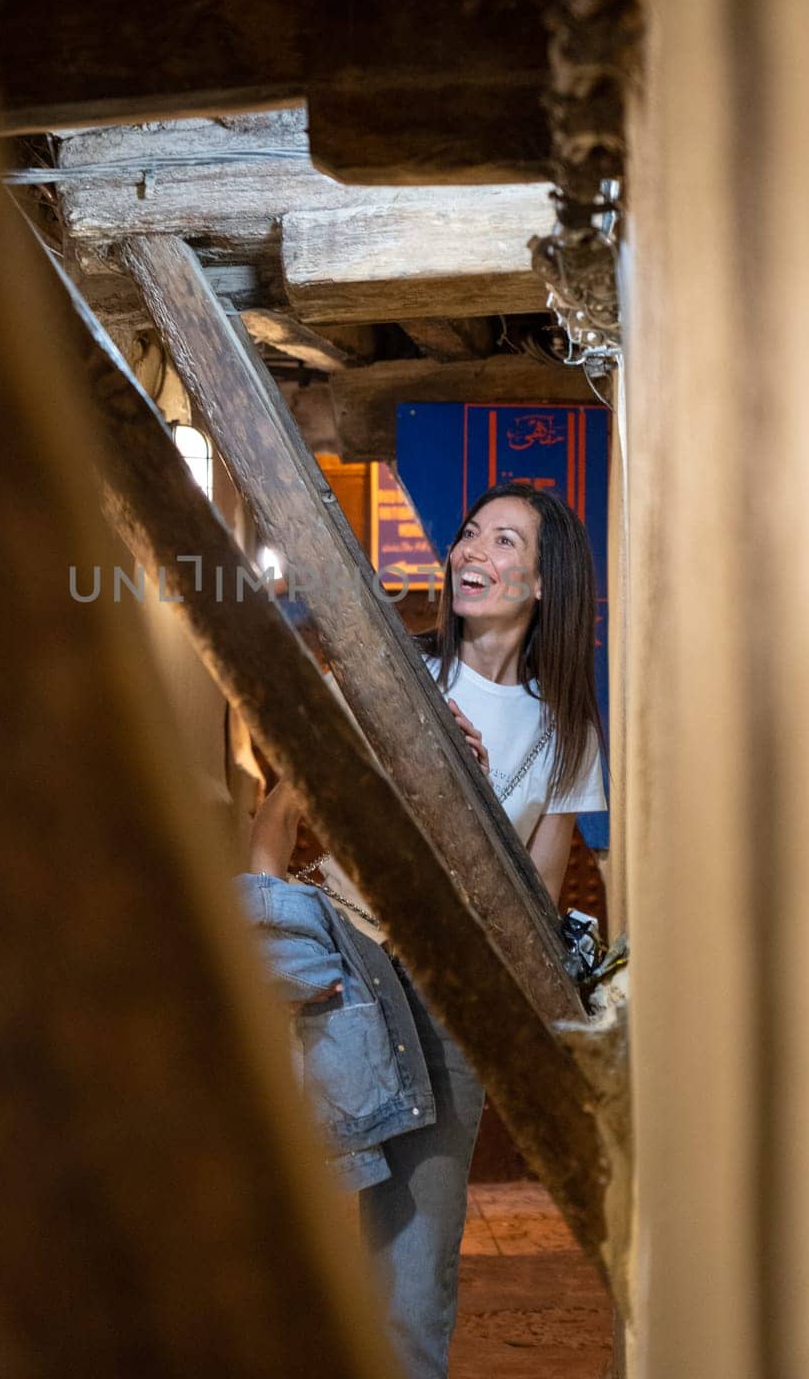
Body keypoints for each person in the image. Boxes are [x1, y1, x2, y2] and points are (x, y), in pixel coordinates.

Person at [246, 481, 607, 1378]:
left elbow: (534, 902)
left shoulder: (564, 734)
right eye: (469, 534)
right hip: (346, 974)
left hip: (452, 1012)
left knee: (410, 1280)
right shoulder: (380, 677)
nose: (470, 553)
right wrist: (272, 950)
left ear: (544, 583)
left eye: (504, 543)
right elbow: (275, 822)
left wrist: (470, 796)